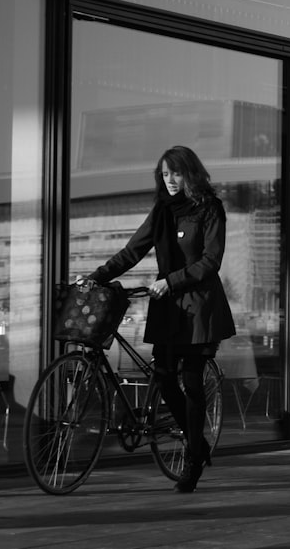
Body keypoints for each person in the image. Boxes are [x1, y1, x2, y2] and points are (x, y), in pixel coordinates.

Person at [81, 145, 236, 492]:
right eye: (164, 174)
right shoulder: (162, 210)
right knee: (165, 378)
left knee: (193, 383)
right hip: (168, 307)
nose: (169, 180)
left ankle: (193, 460)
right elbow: (132, 251)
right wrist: (97, 277)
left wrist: (172, 281)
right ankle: (197, 442)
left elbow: (211, 261)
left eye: (175, 173)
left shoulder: (209, 208)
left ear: (190, 173)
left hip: (199, 307)